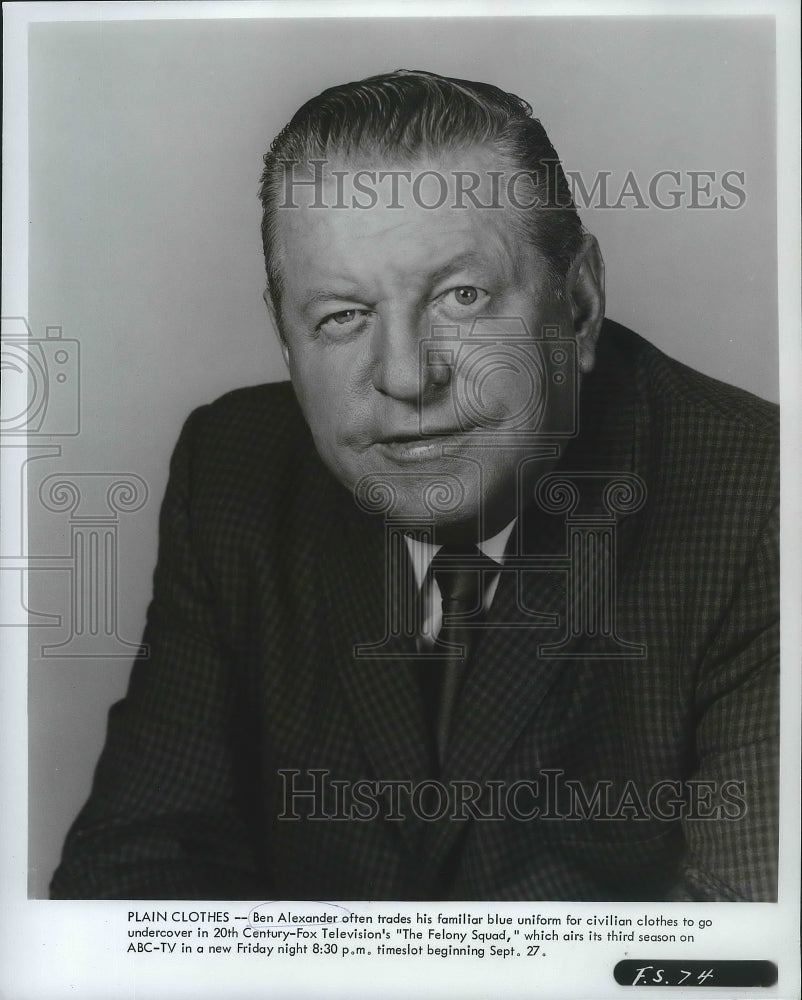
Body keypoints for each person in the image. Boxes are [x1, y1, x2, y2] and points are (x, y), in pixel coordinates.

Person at [51, 70, 778, 902]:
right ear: (285, 341)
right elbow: (135, 883)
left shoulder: (763, 500)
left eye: (461, 297)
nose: (405, 376)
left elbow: (738, 956)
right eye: (342, 316)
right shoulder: (233, 473)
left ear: (576, 305)